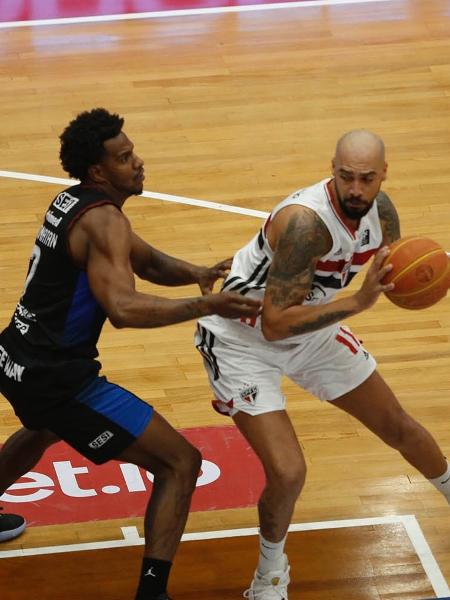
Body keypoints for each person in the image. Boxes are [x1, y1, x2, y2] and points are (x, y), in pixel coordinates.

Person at [0, 107, 261, 600]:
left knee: (44, 427)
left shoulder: (75, 202)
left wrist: (197, 272)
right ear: (99, 172)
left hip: (14, 355)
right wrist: (205, 304)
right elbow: (121, 308)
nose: (138, 163)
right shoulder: (104, 222)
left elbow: (142, 258)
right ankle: (152, 591)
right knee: (180, 463)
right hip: (57, 376)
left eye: (132, 152)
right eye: (124, 158)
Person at [195, 129, 450, 600]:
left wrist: (431, 272)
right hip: (243, 341)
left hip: (307, 326)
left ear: (383, 176)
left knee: (397, 424)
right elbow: (273, 325)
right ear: (331, 170)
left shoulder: (383, 211)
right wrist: (356, 303)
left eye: (367, 179)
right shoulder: (306, 224)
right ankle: (268, 576)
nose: (356, 189)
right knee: (290, 471)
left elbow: (397, 270)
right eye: (345, 177)